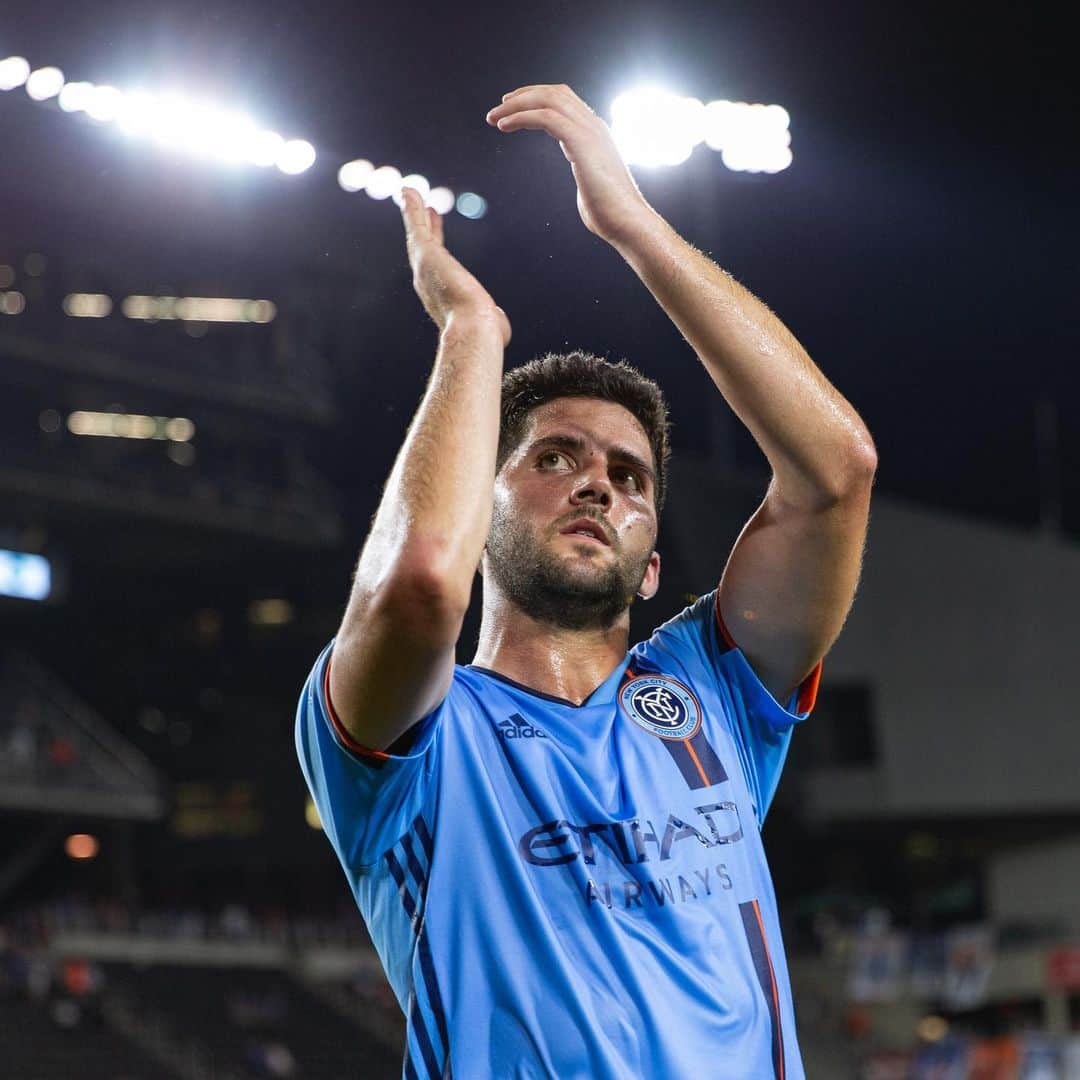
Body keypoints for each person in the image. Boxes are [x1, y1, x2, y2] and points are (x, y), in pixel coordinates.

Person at [296, 83, 876, 1079]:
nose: (598, 485)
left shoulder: (709, 696)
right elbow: (423, 582)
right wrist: (471, 333)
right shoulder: (411, 747)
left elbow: (837, 474)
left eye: (629, 476)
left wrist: (634, 224)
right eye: (555, 459)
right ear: (483, 513)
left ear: (655, 563)